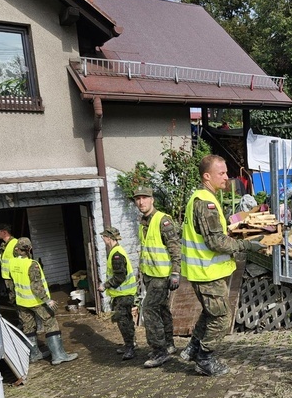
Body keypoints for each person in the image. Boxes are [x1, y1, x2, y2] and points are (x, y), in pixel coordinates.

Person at [180, 154, 265, 376]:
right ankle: (205, 358)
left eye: (226, 172)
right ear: (207, 176)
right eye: (222, 173)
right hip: (207, 272)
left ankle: (194, 347)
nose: (227, 177)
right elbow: (216, 241)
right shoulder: (205, 203)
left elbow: (214, 234)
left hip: (206, 271)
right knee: (220, 318)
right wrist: (247, 246)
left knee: (210, 313)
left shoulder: (206, 198)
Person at [133, 186, 182, 368]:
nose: (141, 202)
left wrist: (175, 272)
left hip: (162, 277)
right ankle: (168, 345)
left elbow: (175, 248)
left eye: (144, 198)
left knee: (149, 309)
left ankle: (159, 351)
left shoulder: (163, 221)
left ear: (152, 199)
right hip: (149, 275)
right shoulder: (143, 222)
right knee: (162, 309)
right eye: (138, 199)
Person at [9, 237, 78, 365]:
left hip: (21, 302)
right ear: (30, 249)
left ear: (17, 249)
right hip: (36, 301)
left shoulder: (12, 263)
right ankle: (58, 355)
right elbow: (36, 286)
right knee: (50, 323)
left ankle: (34, 354)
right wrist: (48, 300)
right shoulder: (32, 264)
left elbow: (12, 284)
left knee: (28, 327)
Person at [98, 226, 138, 361]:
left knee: (124, 322)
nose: (103, 240)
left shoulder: (116, 255)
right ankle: (130, 344)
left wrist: (105, 286)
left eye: (103, 237)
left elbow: (119, 277)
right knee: (126, 320)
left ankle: (130, 347)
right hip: (122, 295)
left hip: (124, 295)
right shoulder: (116, 251)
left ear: (109, 238)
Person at [0, 223, 18, 305]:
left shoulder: (15, 243)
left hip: (14, 277)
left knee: (17, 299)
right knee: (13, 298)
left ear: (4, 232)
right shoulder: (3, 245)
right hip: (8, 277)